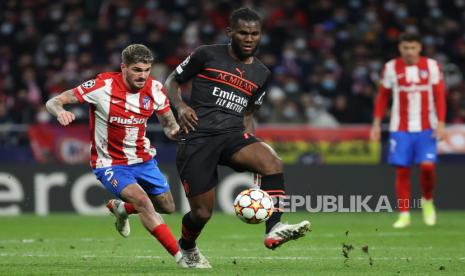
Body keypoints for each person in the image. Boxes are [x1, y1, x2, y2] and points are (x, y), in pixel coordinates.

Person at [164, 8, 310, 268]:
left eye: (255, 33)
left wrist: (252, 143)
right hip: (198, 137)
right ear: (230, 32)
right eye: (243, 32)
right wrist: (182, 108)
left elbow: (249, 113)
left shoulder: (262, 73)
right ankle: (187, 248)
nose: (249, 38)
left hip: (232, 135)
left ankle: (274, 228)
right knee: (202, 214)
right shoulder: (206, 54)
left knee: (272, 162)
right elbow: (172, 81)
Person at [46, 44, 189, 266]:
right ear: (123, 67)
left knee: (168, 206)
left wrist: (179, 132)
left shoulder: (156, 89)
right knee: (143, 200)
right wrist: (60, 112)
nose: (143, 76)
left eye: (147, 70)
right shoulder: (102, 86)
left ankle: (122, 208)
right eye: (137, 70)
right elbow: (54, 101)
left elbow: (170, 126)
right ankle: (182, 258)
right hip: (110, 163)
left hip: (143, 159)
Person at [370, 32, 446, 228]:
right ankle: (404, 214)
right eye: (406, 48)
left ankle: (427, 202)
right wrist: (376, 124)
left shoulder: (431, 66)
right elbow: (382, 97)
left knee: (428, 167)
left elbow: (439, 95)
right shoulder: (391, 67)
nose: (409, 52)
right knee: (402, 171)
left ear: (419, 48)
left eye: (413, 48)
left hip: (427, 127)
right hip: (400, 128)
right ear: (400, 48)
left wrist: (442, 122)